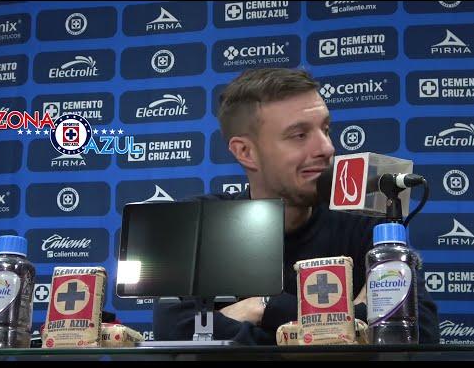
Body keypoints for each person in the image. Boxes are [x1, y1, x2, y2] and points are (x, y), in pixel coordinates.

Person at [154, 68, 439, 345]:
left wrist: (263, 308)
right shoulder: (200, 225)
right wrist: (353, 320)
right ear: (246, 152)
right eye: (299, 135)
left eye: (325, 129)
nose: (326, 148)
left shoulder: (364, 221)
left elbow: (417, 331)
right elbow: (175, 332)